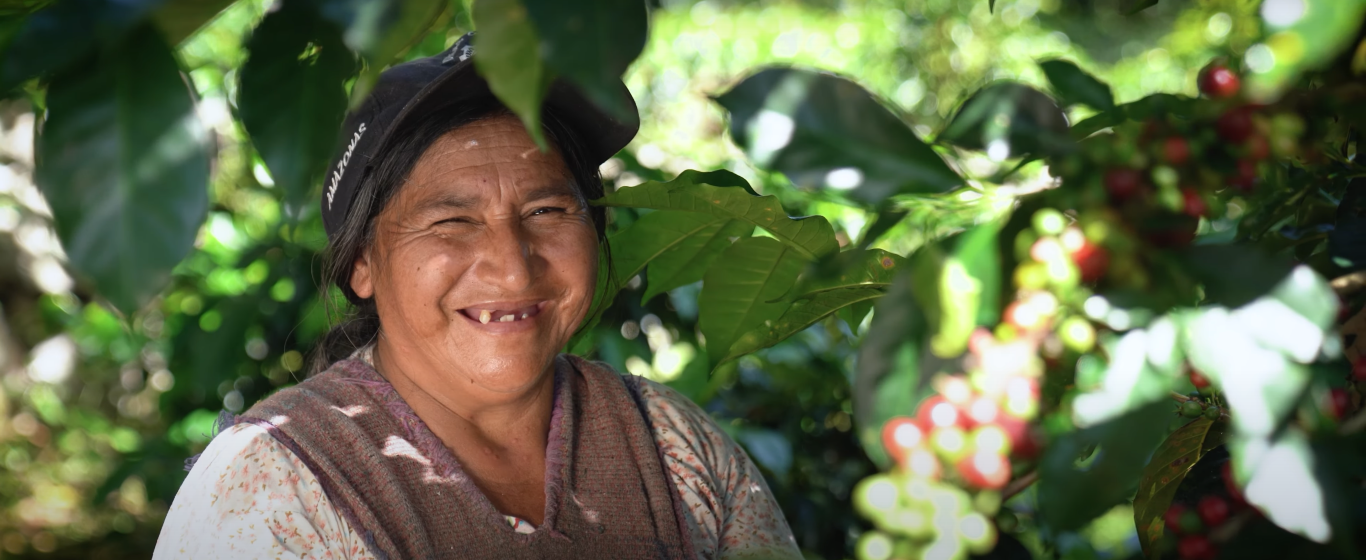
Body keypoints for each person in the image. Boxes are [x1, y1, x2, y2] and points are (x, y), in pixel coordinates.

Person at [152, 32, 801, 559]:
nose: (513, 269)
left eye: (547, 210)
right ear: (361, 263)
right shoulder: (276, 485)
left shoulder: (670, 445)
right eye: (451, 222)